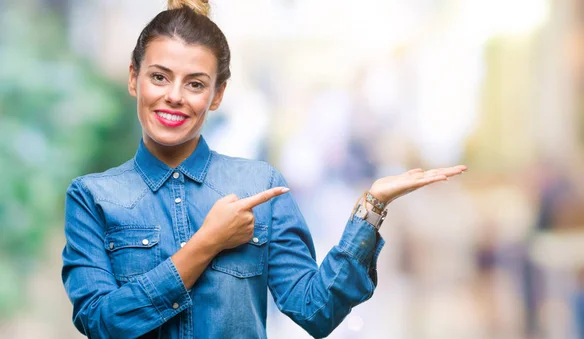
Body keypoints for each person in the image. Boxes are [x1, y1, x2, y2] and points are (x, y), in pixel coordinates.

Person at [60, 1, 467, 338]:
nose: (174, 97)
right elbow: (101, 321)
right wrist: (207, 243)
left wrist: (371, 208)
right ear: (135, 79)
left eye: (196, 84)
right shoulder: (92, 197)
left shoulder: (260, 186)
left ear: (218, 94)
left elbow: (315, 310)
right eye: (159, 77)